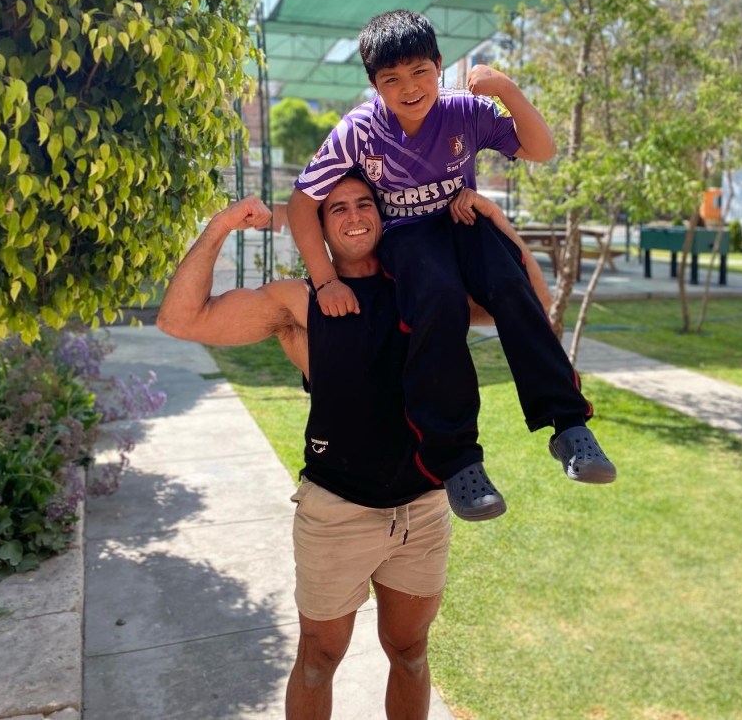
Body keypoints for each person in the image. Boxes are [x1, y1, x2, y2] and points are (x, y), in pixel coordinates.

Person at [157, 175, 541, 720]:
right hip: (337, 512)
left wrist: (497, 222)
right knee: (318, 660)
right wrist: (220, 225)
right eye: (337, 208)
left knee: (410, 653)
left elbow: (533, 302)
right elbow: (180, 319)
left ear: (383, 214)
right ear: (317, 226)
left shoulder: (429, 287)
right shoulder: (300, 300)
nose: (355, 216)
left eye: (365, 203)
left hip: (423, 510)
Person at [287, 9, 616, 523]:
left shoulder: (465, 111)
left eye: (420, 71)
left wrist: (504, 88)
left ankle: (569, 425)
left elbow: (542, 149)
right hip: (407, 238)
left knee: (510, 285)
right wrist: (325, 279)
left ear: (439, 65)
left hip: (463, 222)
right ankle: (458, 460)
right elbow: (301, 203)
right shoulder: (358, 132)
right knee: (439, 303)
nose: (409, 88)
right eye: (391, 79)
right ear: (374, 84)